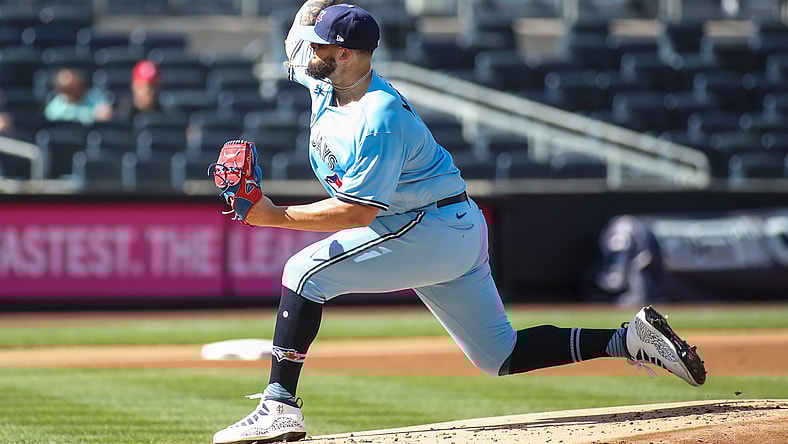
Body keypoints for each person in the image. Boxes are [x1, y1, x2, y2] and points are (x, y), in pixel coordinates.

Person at [211, 3, 707, 444]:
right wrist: (316, 11)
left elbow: (358, 213)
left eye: (320, 44)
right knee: (498, 354)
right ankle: (628, 339)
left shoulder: (378, 116)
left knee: (303, 274)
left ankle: (278, 406)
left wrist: (272, 216)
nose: (308, 52)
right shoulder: (327, 78)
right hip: (451, 224)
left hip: (429, 228)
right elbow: (296, 39)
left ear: (344, 55)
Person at [44, 68, 113, 125]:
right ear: (60, 90)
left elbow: (106, 113)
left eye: (73, 87)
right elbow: (50, 115)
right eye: (67, 89)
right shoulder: (56, 106)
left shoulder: (93, 97)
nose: (72, 91)